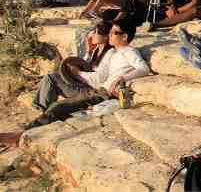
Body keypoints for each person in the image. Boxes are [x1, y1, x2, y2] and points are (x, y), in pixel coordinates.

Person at [0, 18, 149, 148]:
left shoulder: (129, 52)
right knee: (56, 94)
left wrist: (122, 78)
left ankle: (22, 136)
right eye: (110, 31)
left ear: (125, 36)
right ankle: (27, 131)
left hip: (104, 94)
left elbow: (143, 68)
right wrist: (90, 52)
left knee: (59, 106)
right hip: (98, 90)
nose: (110, 34)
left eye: (114, 32)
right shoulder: (117, 52)